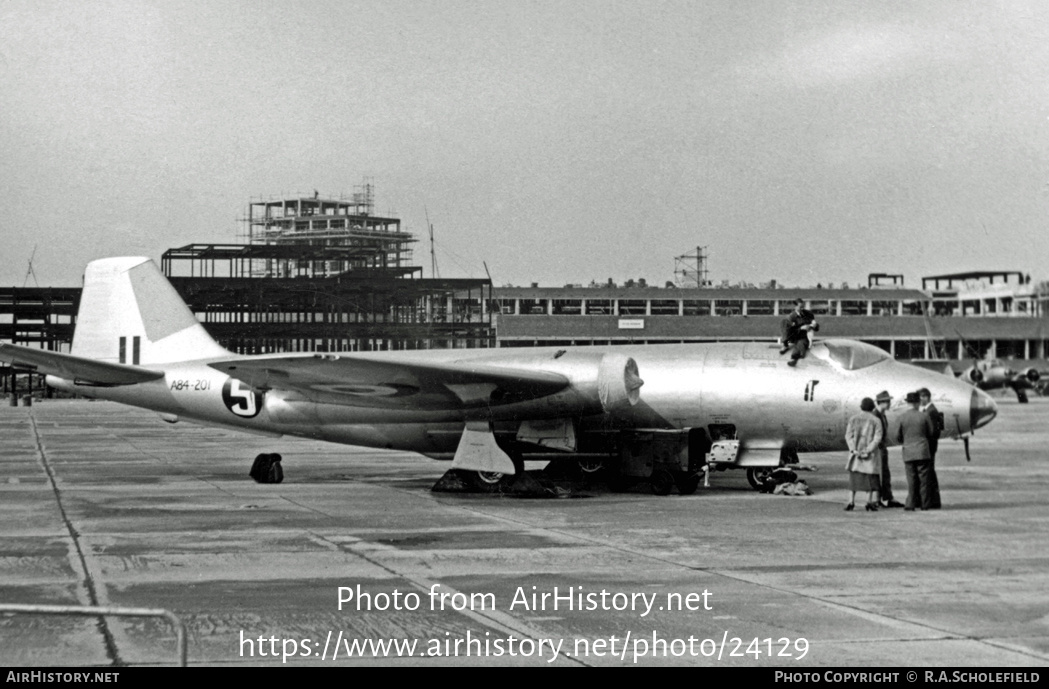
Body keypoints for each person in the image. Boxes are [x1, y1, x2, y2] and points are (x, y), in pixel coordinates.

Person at [896, 391, 937, 511]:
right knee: (924, 479)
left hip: (908, 452)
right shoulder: (924, 416)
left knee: (911, 479)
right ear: (918, 403)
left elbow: (897, 436)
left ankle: (910, 504)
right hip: (923, 451)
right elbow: (931, 433)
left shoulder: (901, 417)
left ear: (907, 403)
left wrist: (906, 441)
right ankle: (925, 504)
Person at [844, 398, 883, 511]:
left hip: (855, 454)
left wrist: (853, 449)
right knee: (869, 479)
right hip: (869, 455)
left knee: (854, 479)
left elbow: (848, 436)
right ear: (873, 407)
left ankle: (851, 501)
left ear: (861, 407)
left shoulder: (853, 419)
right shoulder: (876, 420)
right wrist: (868, 450)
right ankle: (868, 502)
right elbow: (877, 438)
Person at [873, 390, 904, 508]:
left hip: (882, 448)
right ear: (882, 402)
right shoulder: (875, 415)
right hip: (879, 449)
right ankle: (878, 499)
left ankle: (886, 497)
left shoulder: (881, 415)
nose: (890, 403)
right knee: (881, 474)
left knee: (885, 473)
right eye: (888, 401)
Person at [918, 387, 943, 509]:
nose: (920, 400)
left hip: (929, 447)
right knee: (929, 473)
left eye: (921, 397)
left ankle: (931, 501)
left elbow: (933, 432)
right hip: (930, 447)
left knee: (928, 474)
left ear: (926, 397)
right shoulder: (930, 410)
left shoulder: (931, 411)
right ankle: (933, 501)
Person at [779, 299, 818, 367]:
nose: (802, 309)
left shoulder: (809, 314)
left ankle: (793, 359)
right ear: (795, 307)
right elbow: (790, 330)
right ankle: (785, 345)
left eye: (803, 307)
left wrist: (815, 325)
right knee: (784, 322)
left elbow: (816, 328)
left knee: (800, 343)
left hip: (803, 336)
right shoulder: (791, 316)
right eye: (800, 307)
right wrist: (801, 328)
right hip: (794, 335)